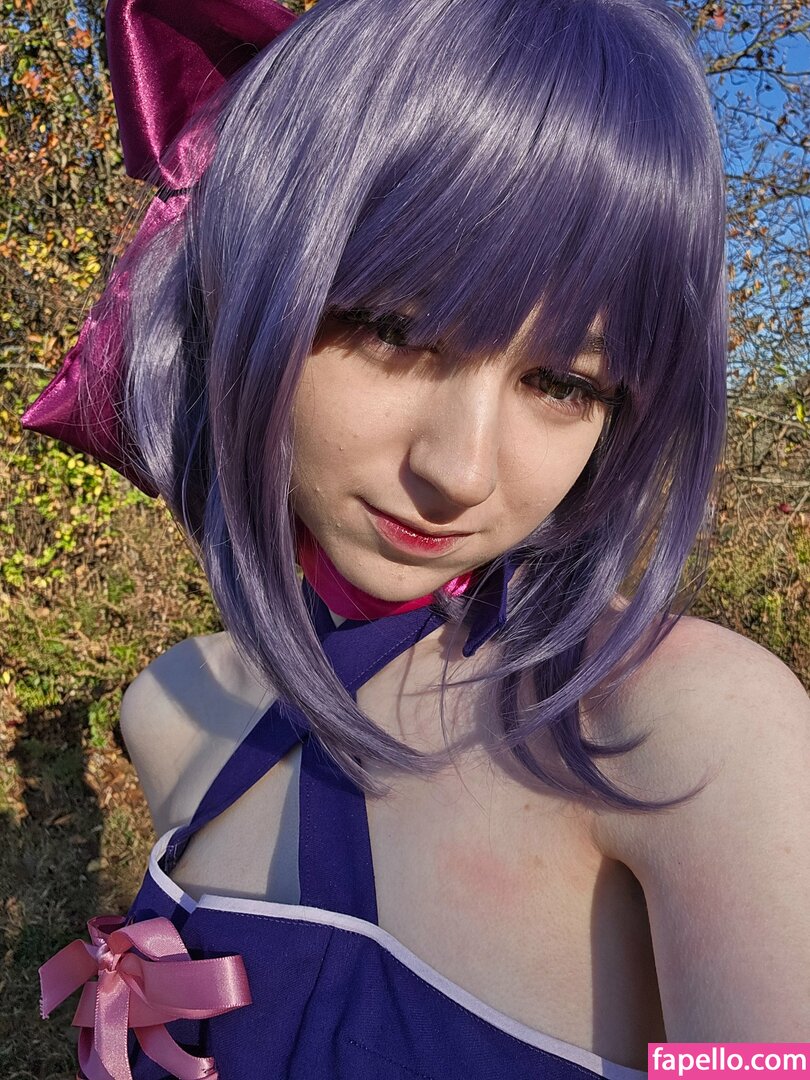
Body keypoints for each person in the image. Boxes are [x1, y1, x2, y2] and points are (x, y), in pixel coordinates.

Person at [30, 0, 810, 1076]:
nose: (461, 470)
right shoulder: (172, 711)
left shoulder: (682, 735)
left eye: (562, 382)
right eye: (396, 329)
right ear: (244, 292)